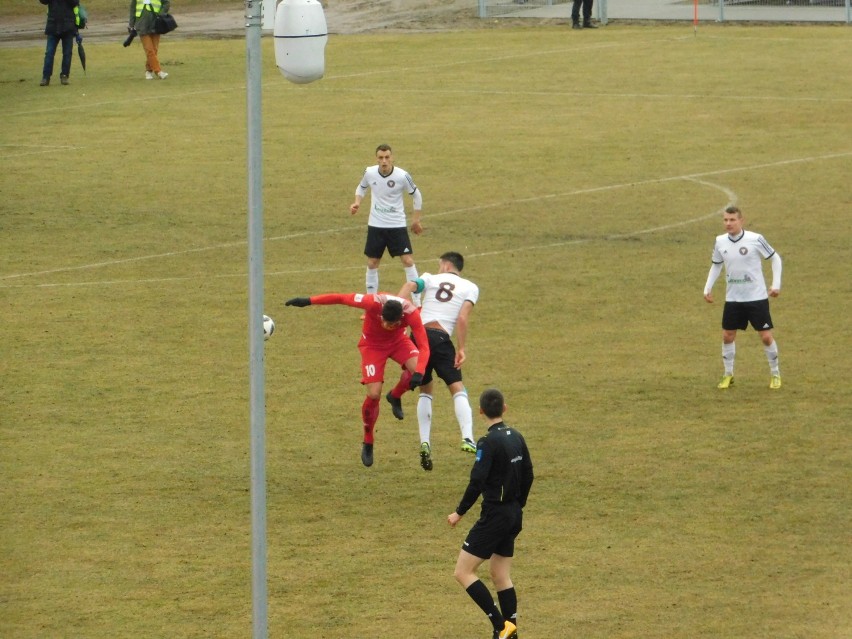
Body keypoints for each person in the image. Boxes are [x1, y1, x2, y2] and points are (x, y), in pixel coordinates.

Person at [284, 292, 429, 467]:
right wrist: (307, 300)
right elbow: (341, 298)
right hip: (372, 346)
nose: (387, 326)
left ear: (400, 320)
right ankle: (368, 440)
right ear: (381, 313)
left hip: (399, 342)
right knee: (374, 394)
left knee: (420, 371)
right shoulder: (372, 303)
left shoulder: (412, 314)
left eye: (393, 324)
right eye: (385, 322)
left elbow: (424, 347)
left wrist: (419, 373)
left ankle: (395, 395)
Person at [447, 389, 534, 639]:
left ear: (481, 411)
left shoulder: (487, 442)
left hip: (496, 515)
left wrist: (459, 512)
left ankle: (501, 626)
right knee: (500, 575)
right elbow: (528, 473)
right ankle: (512, 633)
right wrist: (518, 505)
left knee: (462, 572)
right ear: (504, 408)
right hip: (513, 515)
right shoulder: (516, 436)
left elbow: (477, 481)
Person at [387, 251, 480, 471]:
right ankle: (467, 437)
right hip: (440, 338)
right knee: (456, 388)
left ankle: (425, 442)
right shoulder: (470, 287)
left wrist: (395, 309)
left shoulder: (430, 278)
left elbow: (410, 285)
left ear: (447, 266)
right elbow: (462, 318)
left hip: (418, 336)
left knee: (425, 389)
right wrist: (462, 348)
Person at [703, 205, 783, 390]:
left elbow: (775, 258)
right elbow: (716, 265)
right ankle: (728, 375)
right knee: (727, 336)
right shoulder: (720, 241)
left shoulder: (755, 239)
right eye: (725, 220)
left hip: (756, 298)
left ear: (741, 221)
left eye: (732, 220)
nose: (728, 223)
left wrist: (776, 284)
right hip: (733, 299)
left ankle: (775, 374)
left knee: (765, 336)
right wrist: (707, 287)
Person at [350, 144, 424, 306]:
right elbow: (361, 187)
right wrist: (357, 202)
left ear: (392, 158)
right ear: (376, 159)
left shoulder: (402, 176)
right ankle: (371, 303)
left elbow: (416, 195)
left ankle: (417, 303)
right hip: (376, 225)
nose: (384, 161)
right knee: (372, 263)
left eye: (387, 157)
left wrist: (415, 220)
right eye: (381, 158)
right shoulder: (369, 172)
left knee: (407, 261)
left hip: (396, 225)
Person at [39, 0, 80, 86]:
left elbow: (75, 2)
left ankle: (64, 75)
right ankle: (46, 77)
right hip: (53, 25)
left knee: (67, 53)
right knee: (49, 53)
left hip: (68, 26)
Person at [128, 0, 171, 80]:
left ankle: (148, 70)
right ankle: (158, 71)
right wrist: (131, 25)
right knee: (149, 50)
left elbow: (166, 2)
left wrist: (161, 13)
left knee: (154, 49)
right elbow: (133, 8)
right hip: (141, 24)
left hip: (156, 23)